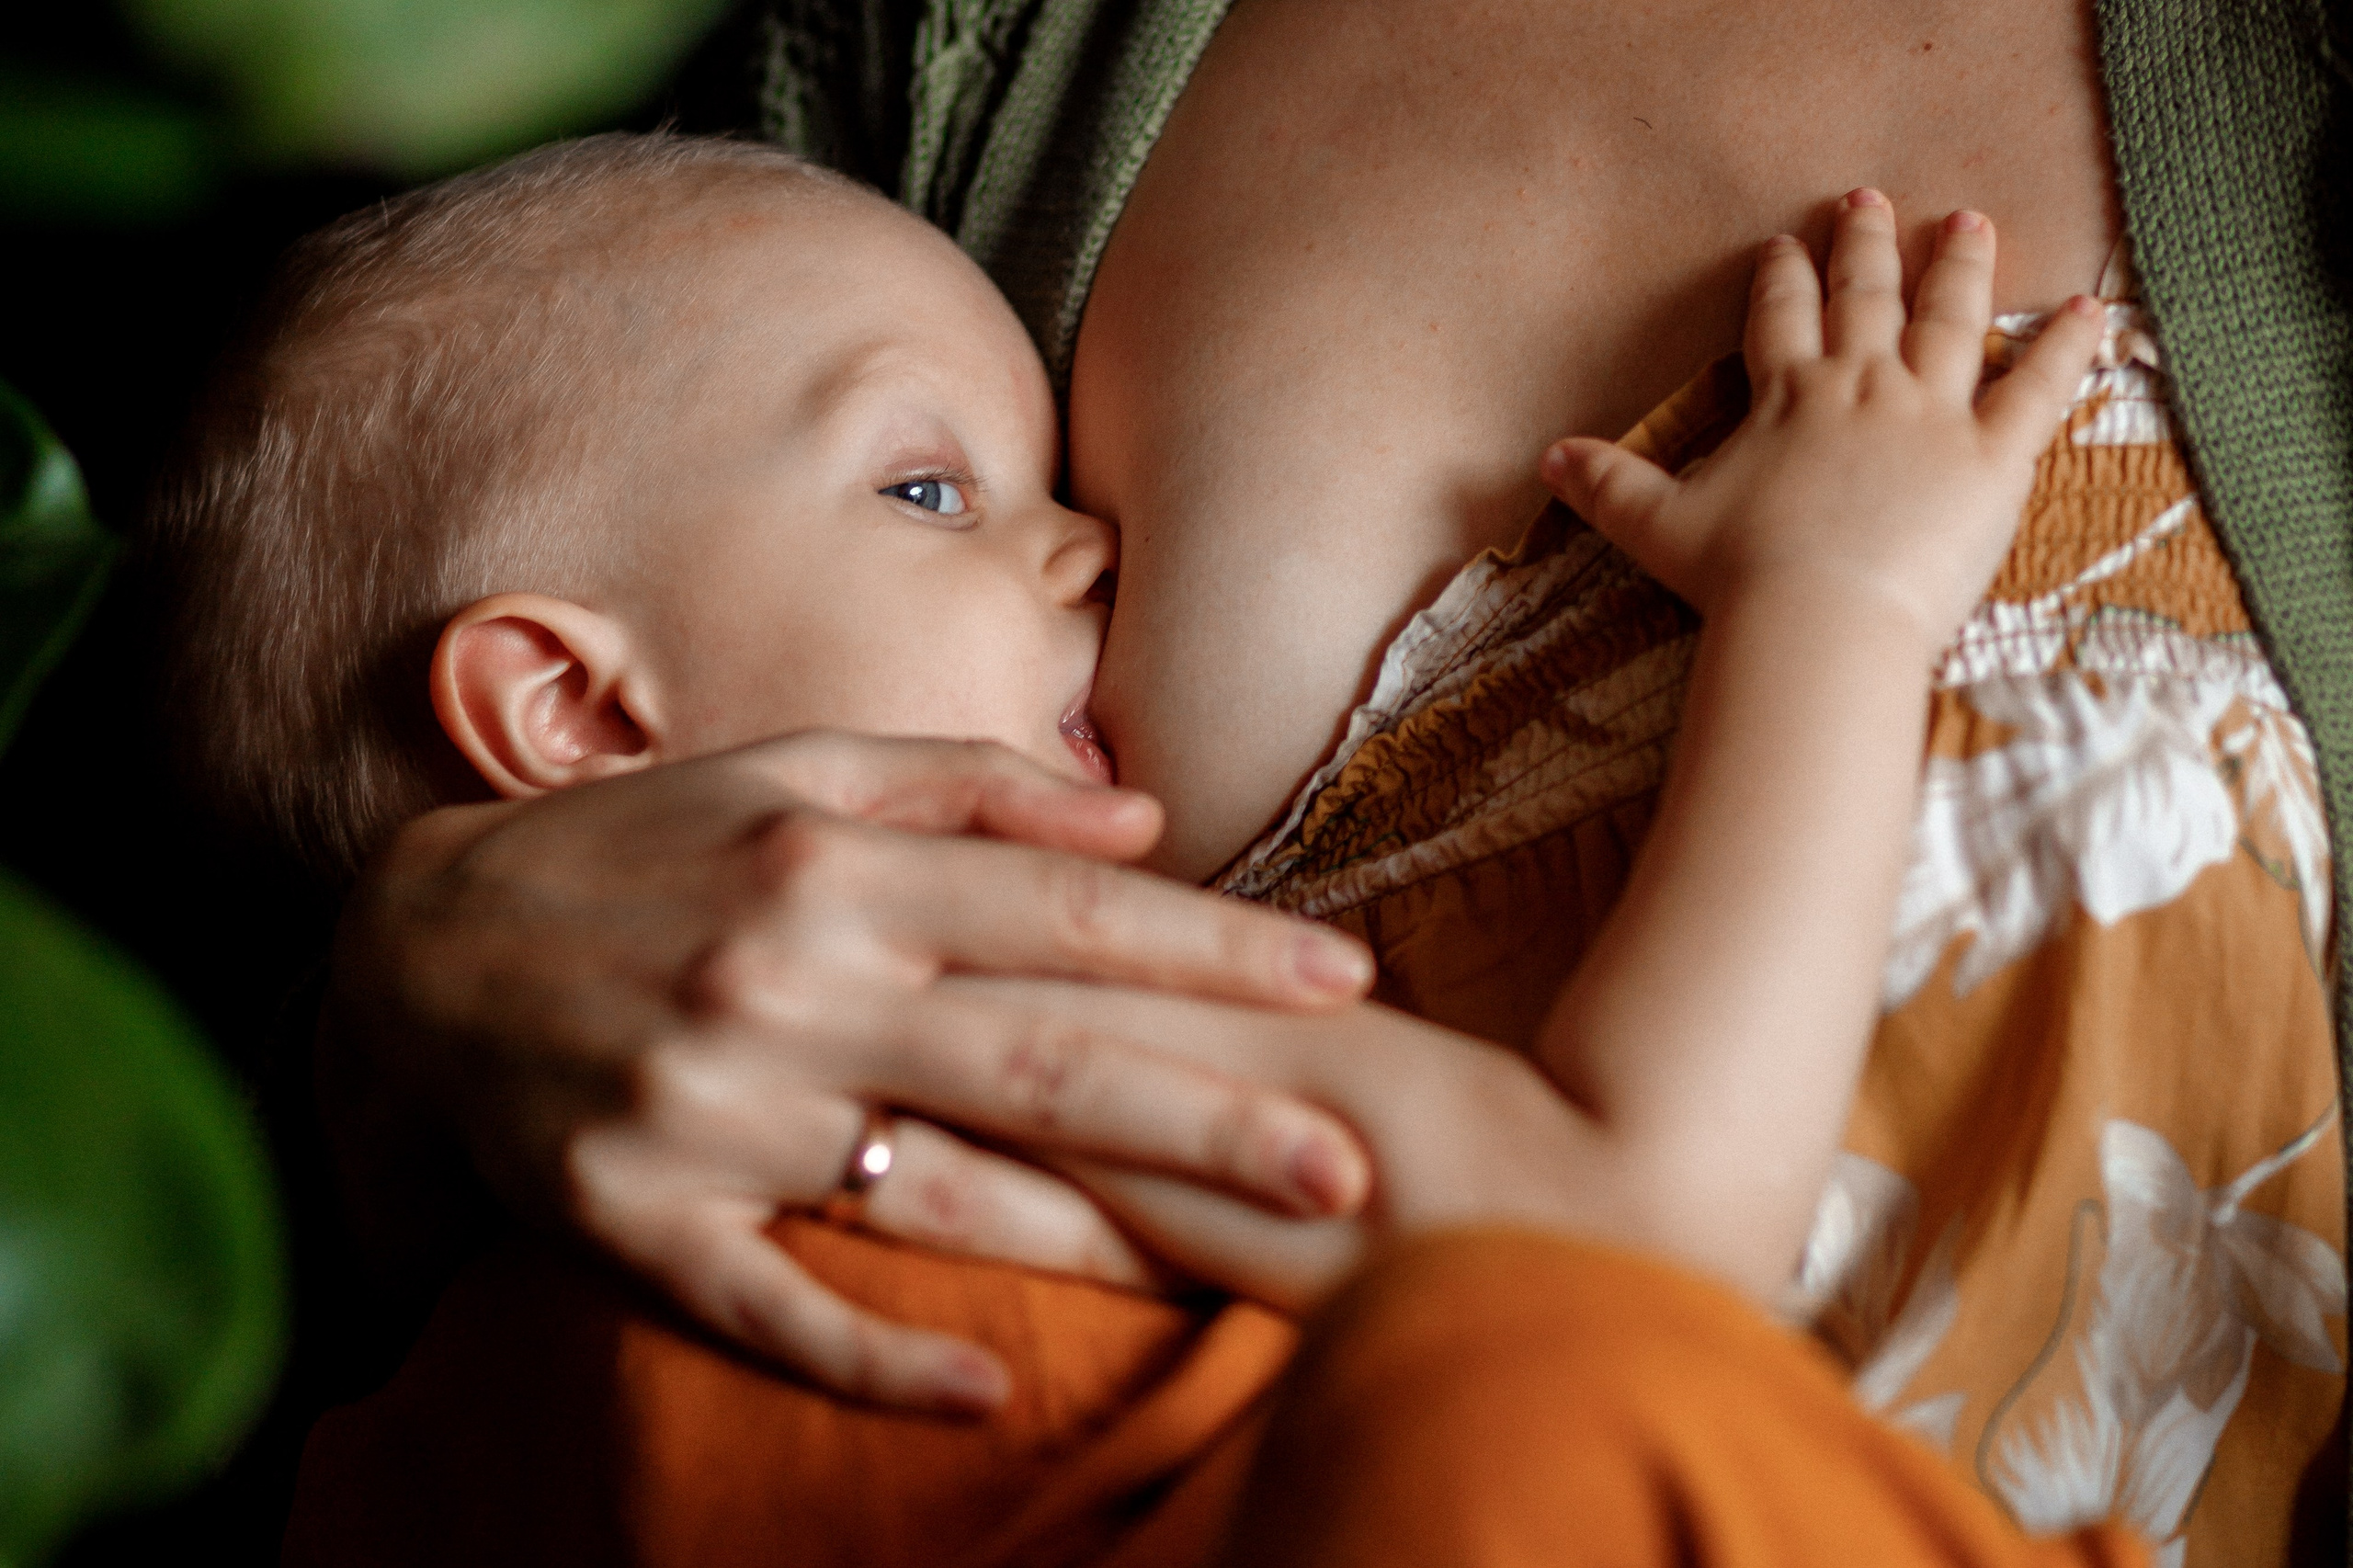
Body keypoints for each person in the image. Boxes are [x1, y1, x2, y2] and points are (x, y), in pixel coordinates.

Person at [265, 0, 2351, 1560]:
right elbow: (1621, 1219)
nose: (1087, 543)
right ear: (567, 712)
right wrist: (1825, 600)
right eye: (931, 488)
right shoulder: (931, 993)